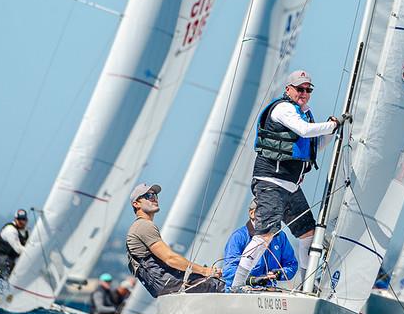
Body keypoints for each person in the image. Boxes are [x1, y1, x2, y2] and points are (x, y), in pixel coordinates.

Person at [230, 70, 345, 289]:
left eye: (307, 90)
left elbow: (315, 146)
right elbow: (304, 131)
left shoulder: (303, 114)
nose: (303, 93)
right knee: (265, 234)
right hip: (271, 182)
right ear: (288, 89)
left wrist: (331, 133)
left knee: (307, 232)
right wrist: (332, 125)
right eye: (299, 89)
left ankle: (306, 285)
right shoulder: (283, 109)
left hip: (290, 186)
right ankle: (236, 285)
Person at [126, 183, 225, 297]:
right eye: (148, 195)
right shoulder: (144, 226)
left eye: (155, 195)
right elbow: (170, 259)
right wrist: (205, 271)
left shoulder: (138, 226)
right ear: (136, 204)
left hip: (165, 287)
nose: (154, 198)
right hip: (170, 284)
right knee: (221, 286)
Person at [222, 199, 298, 289]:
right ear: (252, 213)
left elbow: (291, 264)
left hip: (267, 292)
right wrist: (252, 280)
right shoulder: (239, 237)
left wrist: (279, 273)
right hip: (239, 291)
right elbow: (228, 270)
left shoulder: (280, 237)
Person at [0, 208, 30, 278]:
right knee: (7, 268)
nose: (22, 222)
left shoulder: (26, 231)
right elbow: (18, 249)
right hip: (1, 258)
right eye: (20, 220)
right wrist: (33, 252)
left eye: (24, 220)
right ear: (15, 219)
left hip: (12, 259)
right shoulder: (10, 230)